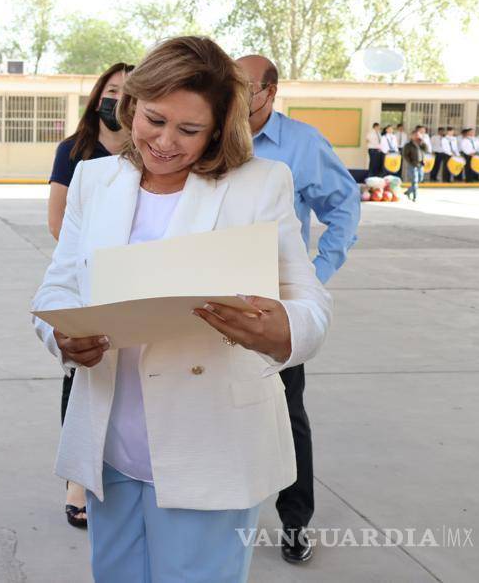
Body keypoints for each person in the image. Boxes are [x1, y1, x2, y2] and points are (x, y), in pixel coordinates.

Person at [32, 36, 332, 583]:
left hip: (210, 448)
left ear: (218, 129)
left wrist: (280, 330)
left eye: (189, 130)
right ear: (131, 105)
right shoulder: (96, 180)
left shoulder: (259, 185)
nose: (165, 142)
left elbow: (309, 302)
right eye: (154, 120)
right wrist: (62, 337)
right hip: (110, 447)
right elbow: (58, 286)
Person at [237, 54, 359, 565]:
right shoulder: (210, 133)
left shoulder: (303, 144)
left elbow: (344, 206)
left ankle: (295, 521)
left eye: (245, 86)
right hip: (213, 298)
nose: (235, 94)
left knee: (287, 414)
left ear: (270, 92)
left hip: (276, 306)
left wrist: (314, 277)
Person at [46, 61, 133, 528]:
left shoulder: (147, 151)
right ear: (99, 95)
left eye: (127, 92)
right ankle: (76, 482)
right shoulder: (75, 150)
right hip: (84, 277)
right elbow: (59, 220)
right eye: (111, 89)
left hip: (133, 282)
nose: (116, 99)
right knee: (80, 370)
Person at [403, 126, 427, 202]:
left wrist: (422, 141)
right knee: (415, 181)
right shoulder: (408, 145)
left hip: (420, 164)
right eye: (415, 135)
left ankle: (409, 191)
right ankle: (415, 197)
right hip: (413, 165)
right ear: (412, 136)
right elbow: (405, 155)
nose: (417, 136)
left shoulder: (421, 144)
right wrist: (410, 162)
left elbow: (426, 150)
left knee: (420, 179)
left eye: (418, 135)